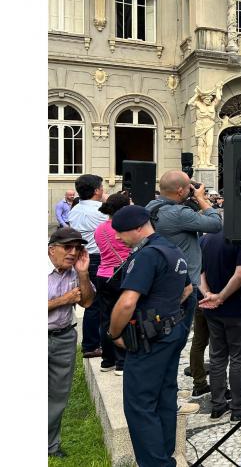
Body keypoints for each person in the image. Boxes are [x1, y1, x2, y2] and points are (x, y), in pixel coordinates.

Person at [107, 206, 193, 467]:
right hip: (171, 332)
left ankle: (155, 463)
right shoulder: (172, 249)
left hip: (150, 340)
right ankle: (165, 457)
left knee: (139, 404)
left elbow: (127, 303)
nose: (118, 237)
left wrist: (113, 333)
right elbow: (188, 289)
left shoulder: (146, 255)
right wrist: (165, 312)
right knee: (165, 397)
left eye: (120, 232)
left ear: (137, 228)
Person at [146, 170, 223, 399]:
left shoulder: (151, 207)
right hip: (184, 287)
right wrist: (200, 198)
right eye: (189, 186)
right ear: (181, 190)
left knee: (163, 340)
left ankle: (162, 391)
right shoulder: (179, 214)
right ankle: (168, 397)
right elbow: (215, 223)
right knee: (175, 340)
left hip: (161, 283)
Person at [197, 229, 241, 421]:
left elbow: (198, 271)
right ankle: (238, 408)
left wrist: (207, 294)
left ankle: (218, 405)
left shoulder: (205, 239)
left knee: (217, 357)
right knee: (238, 359)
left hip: (213, 309)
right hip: (238, 309)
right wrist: (220, 297)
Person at [48, 227, 96, 458]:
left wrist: (84, 274)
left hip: (64, 338)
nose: (73, 252)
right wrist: (63, 300)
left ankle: (50, 446)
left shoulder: (75, 272)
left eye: (77, 248)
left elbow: (87, 302)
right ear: (51, 250)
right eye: (67, 247)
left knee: (58, 395)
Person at [69, 174, 108, 358]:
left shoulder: (75, 209)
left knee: (91, 302)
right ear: (96, 190)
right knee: (97, 303)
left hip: (83, 257)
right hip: (98, 258)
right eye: (101, 187)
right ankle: (91, 345)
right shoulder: (100, 211)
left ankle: (92, 343)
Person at [94, 192, 133, 374]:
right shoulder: (125, 228)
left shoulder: (99, 229)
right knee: (123, 317)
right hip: (121, 274)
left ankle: (107, 360)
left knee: (106, 319)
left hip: (102, 275)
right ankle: (121, 362)